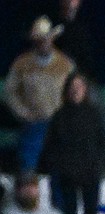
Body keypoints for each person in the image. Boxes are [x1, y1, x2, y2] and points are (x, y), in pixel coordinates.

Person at [38, 72, 105, 214]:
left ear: (85, 90)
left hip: (91, 172)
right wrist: (60, 166)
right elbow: (51, 146)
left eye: (79, 87)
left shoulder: (95, 115)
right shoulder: (59, 116)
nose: (75, 91)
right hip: (67, 174)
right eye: (72, 87)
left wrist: (98, 165)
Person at [4, 17, 75, 172]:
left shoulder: (65, 64)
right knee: (27, 161)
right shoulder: (21, 64)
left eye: (46, 39)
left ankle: (58, 193)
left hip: (59, 122)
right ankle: (27, 191)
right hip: (33, 121)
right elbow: (10, 92)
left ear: (52, 39)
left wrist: (67, 115)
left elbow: (75, 91)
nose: (43, 42)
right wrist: (23, 112)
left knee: (60, 163)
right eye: (40, 39)